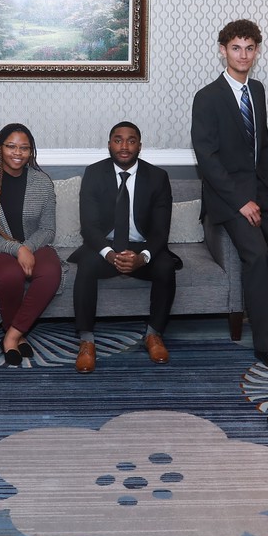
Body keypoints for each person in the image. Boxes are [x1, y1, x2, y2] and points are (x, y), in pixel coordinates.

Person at [191, 19, 268, 372]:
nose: (243, 54)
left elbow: (264, 144)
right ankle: (266, 343)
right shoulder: (207, 97)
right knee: (257, 256)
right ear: (223, 50)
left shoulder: (256, 90)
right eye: (235, 48)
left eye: (249, 48)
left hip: (263, 190)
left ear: (256, 52)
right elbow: (207, 159)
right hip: (227, 198)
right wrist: (240, 202)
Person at [70, 121, 178, 373]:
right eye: (118, 140)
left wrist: (143, 256)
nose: (124, 146)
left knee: (165, 267)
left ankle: (153, 334)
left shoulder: (158, 177)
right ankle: (86, 340)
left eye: (131, 140)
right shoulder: (94, 173)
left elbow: (162, 229)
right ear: (109, 144)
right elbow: (88, 226)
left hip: (142, 245)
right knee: (86, 265)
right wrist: (108, 254)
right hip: (105, 246)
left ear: (140, 145)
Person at [0, 123, 63, 367]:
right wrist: (17, 249)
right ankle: (18, 336)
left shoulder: (42, 182)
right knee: (10, 275)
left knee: (52, 272)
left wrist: (28, 247)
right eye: (11, 146)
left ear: (31, 151)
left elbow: (48, 229)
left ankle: (12, 336)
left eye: (24, 148)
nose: (17, 153)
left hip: (36, 245)